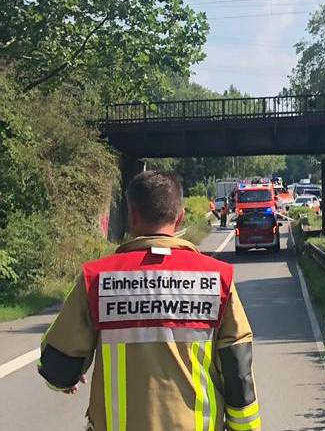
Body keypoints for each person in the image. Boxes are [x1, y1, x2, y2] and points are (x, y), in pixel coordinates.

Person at [39, 171, 260, 431]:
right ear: (180, 217)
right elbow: (238, 370)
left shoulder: (97, 279)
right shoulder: (217, 278)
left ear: (132, 215)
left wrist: (65, 381)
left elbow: (58, 368)